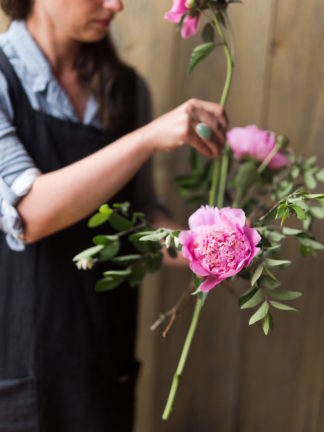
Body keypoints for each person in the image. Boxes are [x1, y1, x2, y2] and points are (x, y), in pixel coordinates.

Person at [0, 0, 228, 430]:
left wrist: (212, 248)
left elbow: (139, 224)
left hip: (103, 361)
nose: (117, 5)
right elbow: (28, 215)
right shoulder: (3, 79)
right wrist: (146, 139)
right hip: (21, 363)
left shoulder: (126, 89)